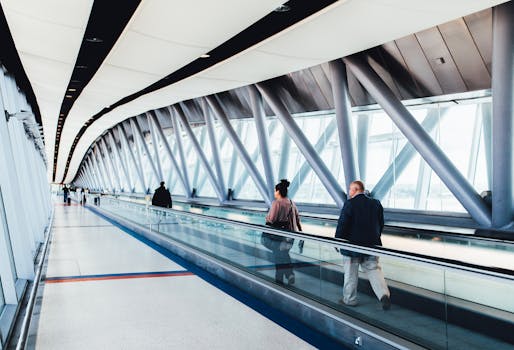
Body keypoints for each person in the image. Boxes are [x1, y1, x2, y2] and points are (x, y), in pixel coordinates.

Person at [335, 180, 391, 310]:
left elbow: (343, 224)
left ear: (355, 189)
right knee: (374, 270)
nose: (349, 192)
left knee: (350, 274)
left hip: (352, 246)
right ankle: (383, 295)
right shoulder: (376, 203)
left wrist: (337, 241)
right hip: (372, 245)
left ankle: (349, 299)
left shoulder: (349, 204)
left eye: (350, 189)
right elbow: (380, 223)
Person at [264, 179, 302, 285]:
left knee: (278, 254)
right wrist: (300, 231)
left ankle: (280, 278)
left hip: (279, 235)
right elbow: (298, 218)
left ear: (278, 191)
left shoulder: (277, 203)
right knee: (283, 253)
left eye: (275, 191)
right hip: (291, 234)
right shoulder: (291, 202)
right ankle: (289, 274)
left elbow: (271, 219)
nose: (274, 193)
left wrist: (266, 218)